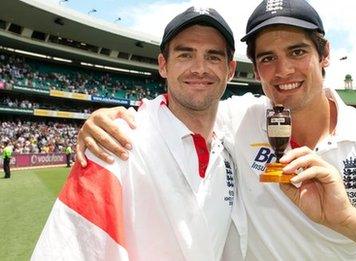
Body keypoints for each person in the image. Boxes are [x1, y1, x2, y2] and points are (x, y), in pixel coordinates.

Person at [76, 0, 356, 260]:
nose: (283, 72)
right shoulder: (239, 117)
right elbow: (182, 106)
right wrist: (108, 119)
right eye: (267, 58)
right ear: (253, 68)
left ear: (324, 54)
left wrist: (346, 220)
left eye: (297, 52)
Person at [32, 7, 245, 260]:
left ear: (230, 70)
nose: (199, 68)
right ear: (163, 65)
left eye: (213, 57)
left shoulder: (233, 141)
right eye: (185, 55)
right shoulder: (113, 142)